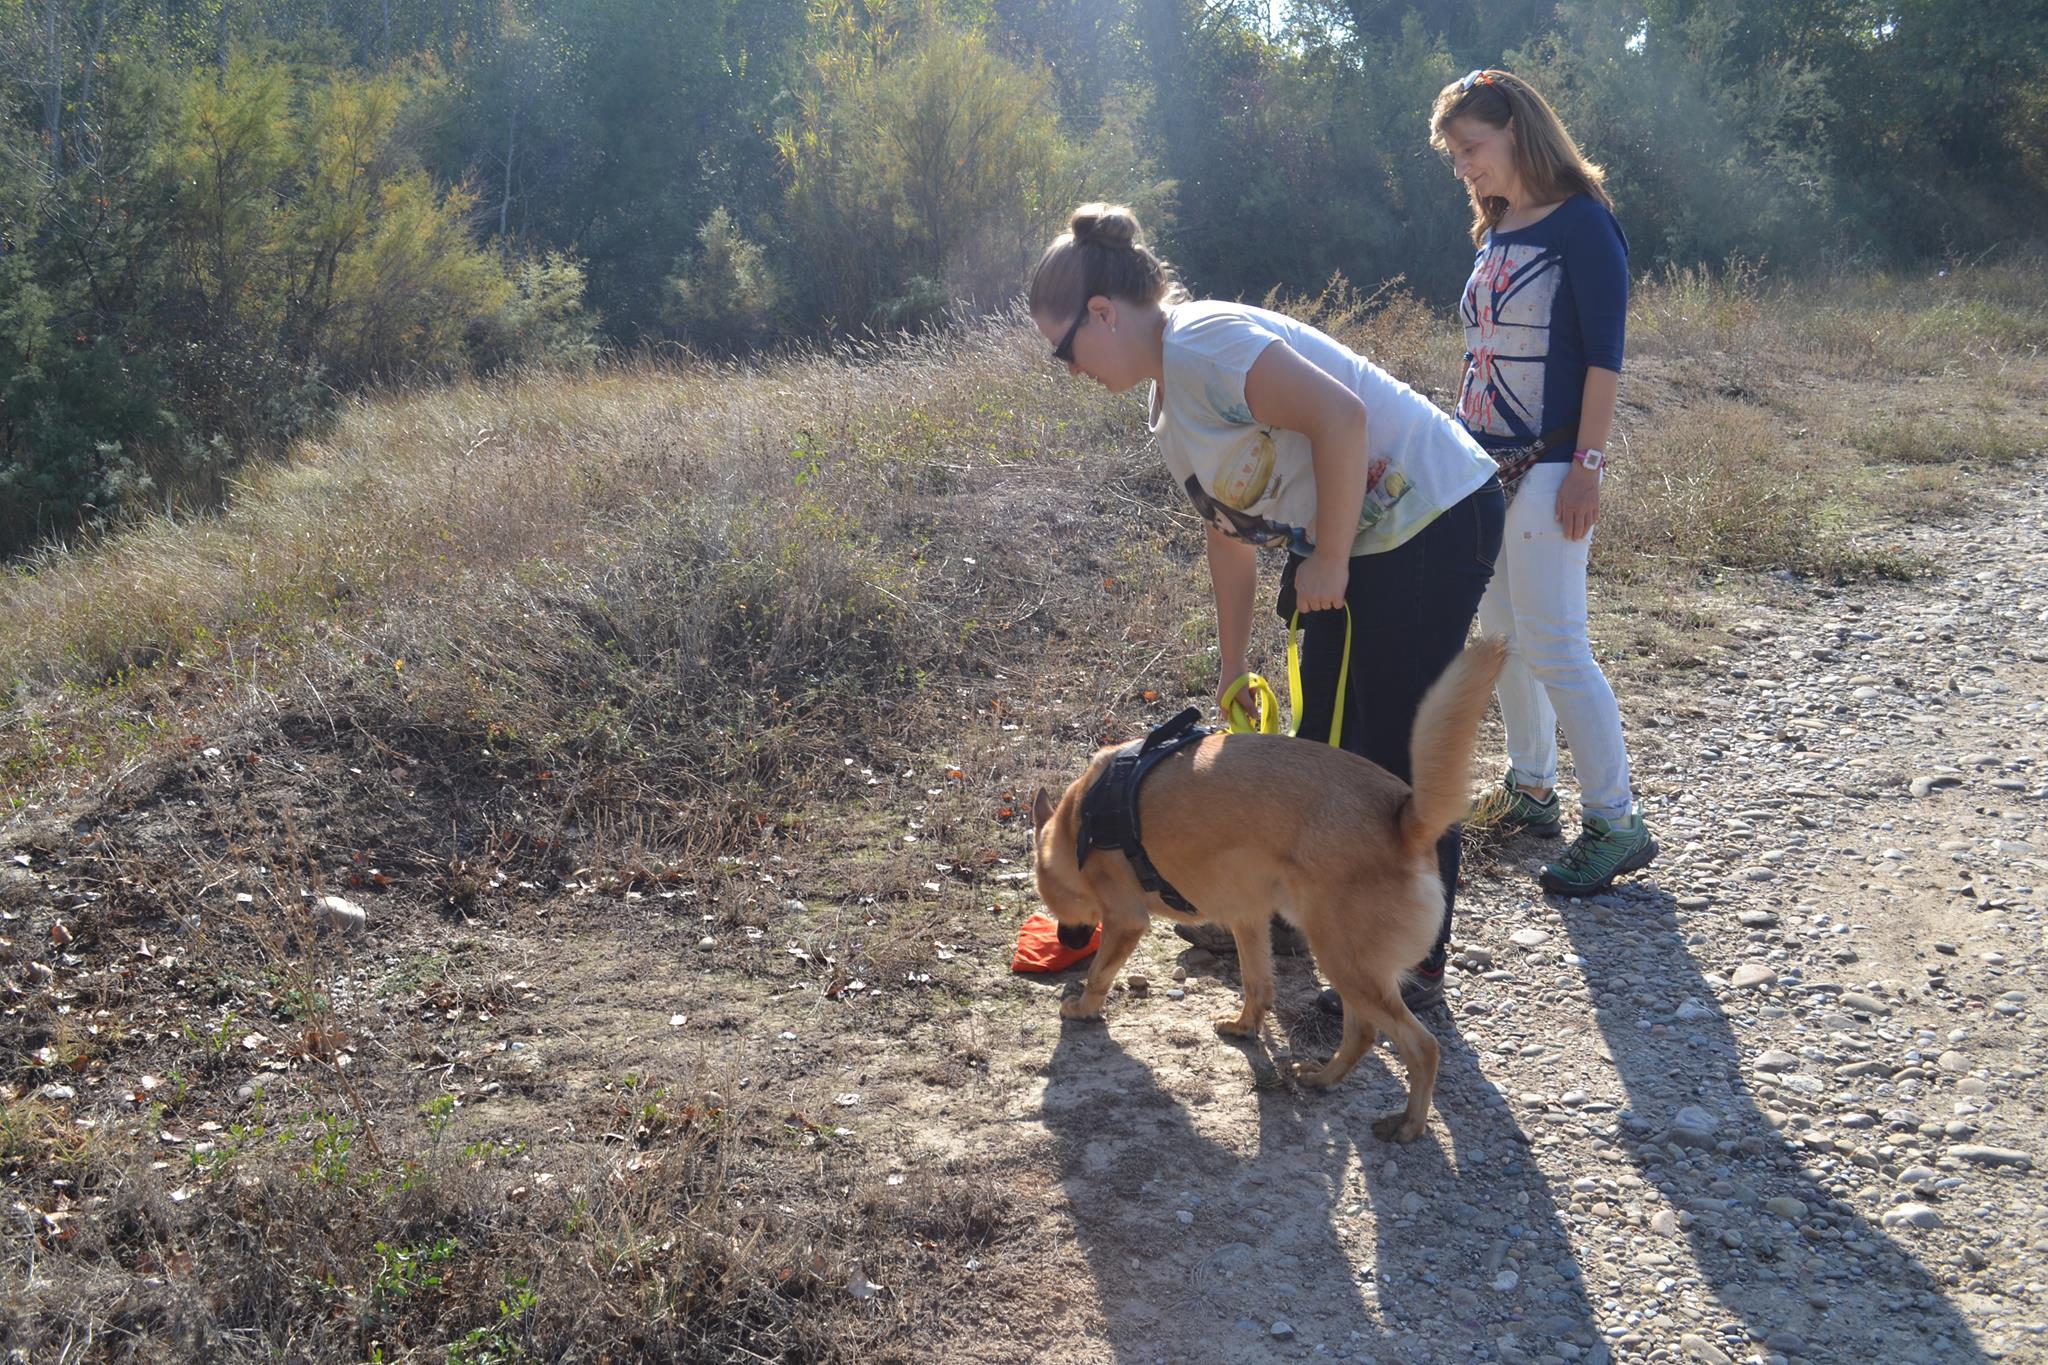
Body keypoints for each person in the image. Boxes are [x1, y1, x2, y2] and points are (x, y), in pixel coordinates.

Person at [1028, 203, 1504, 1013]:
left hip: (1431, 516)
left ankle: (1408, 960)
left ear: (1102, 314)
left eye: (1063, 350)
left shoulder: (1205, 343)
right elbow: (1229, 534)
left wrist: (1329, 556)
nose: (1069, 370)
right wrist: (1231, 663)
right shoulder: (1170, 401)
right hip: (1363, 542)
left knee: (1387, 753)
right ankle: (1294, 909)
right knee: (1315, 756)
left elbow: (1341, 417)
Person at [1429, 68, 1658, 897]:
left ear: (1517, 131)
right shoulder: (1495, 226)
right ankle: (1531, 787)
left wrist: (1586, 467)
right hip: (1482, 465)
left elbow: (1604, 359)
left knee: (1557, 642)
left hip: (1555, 460)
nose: (1464, 167)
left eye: (1472, 148)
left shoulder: (1585, 224)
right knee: (1501, 635)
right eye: (1455, 155)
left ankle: (1617, 821)